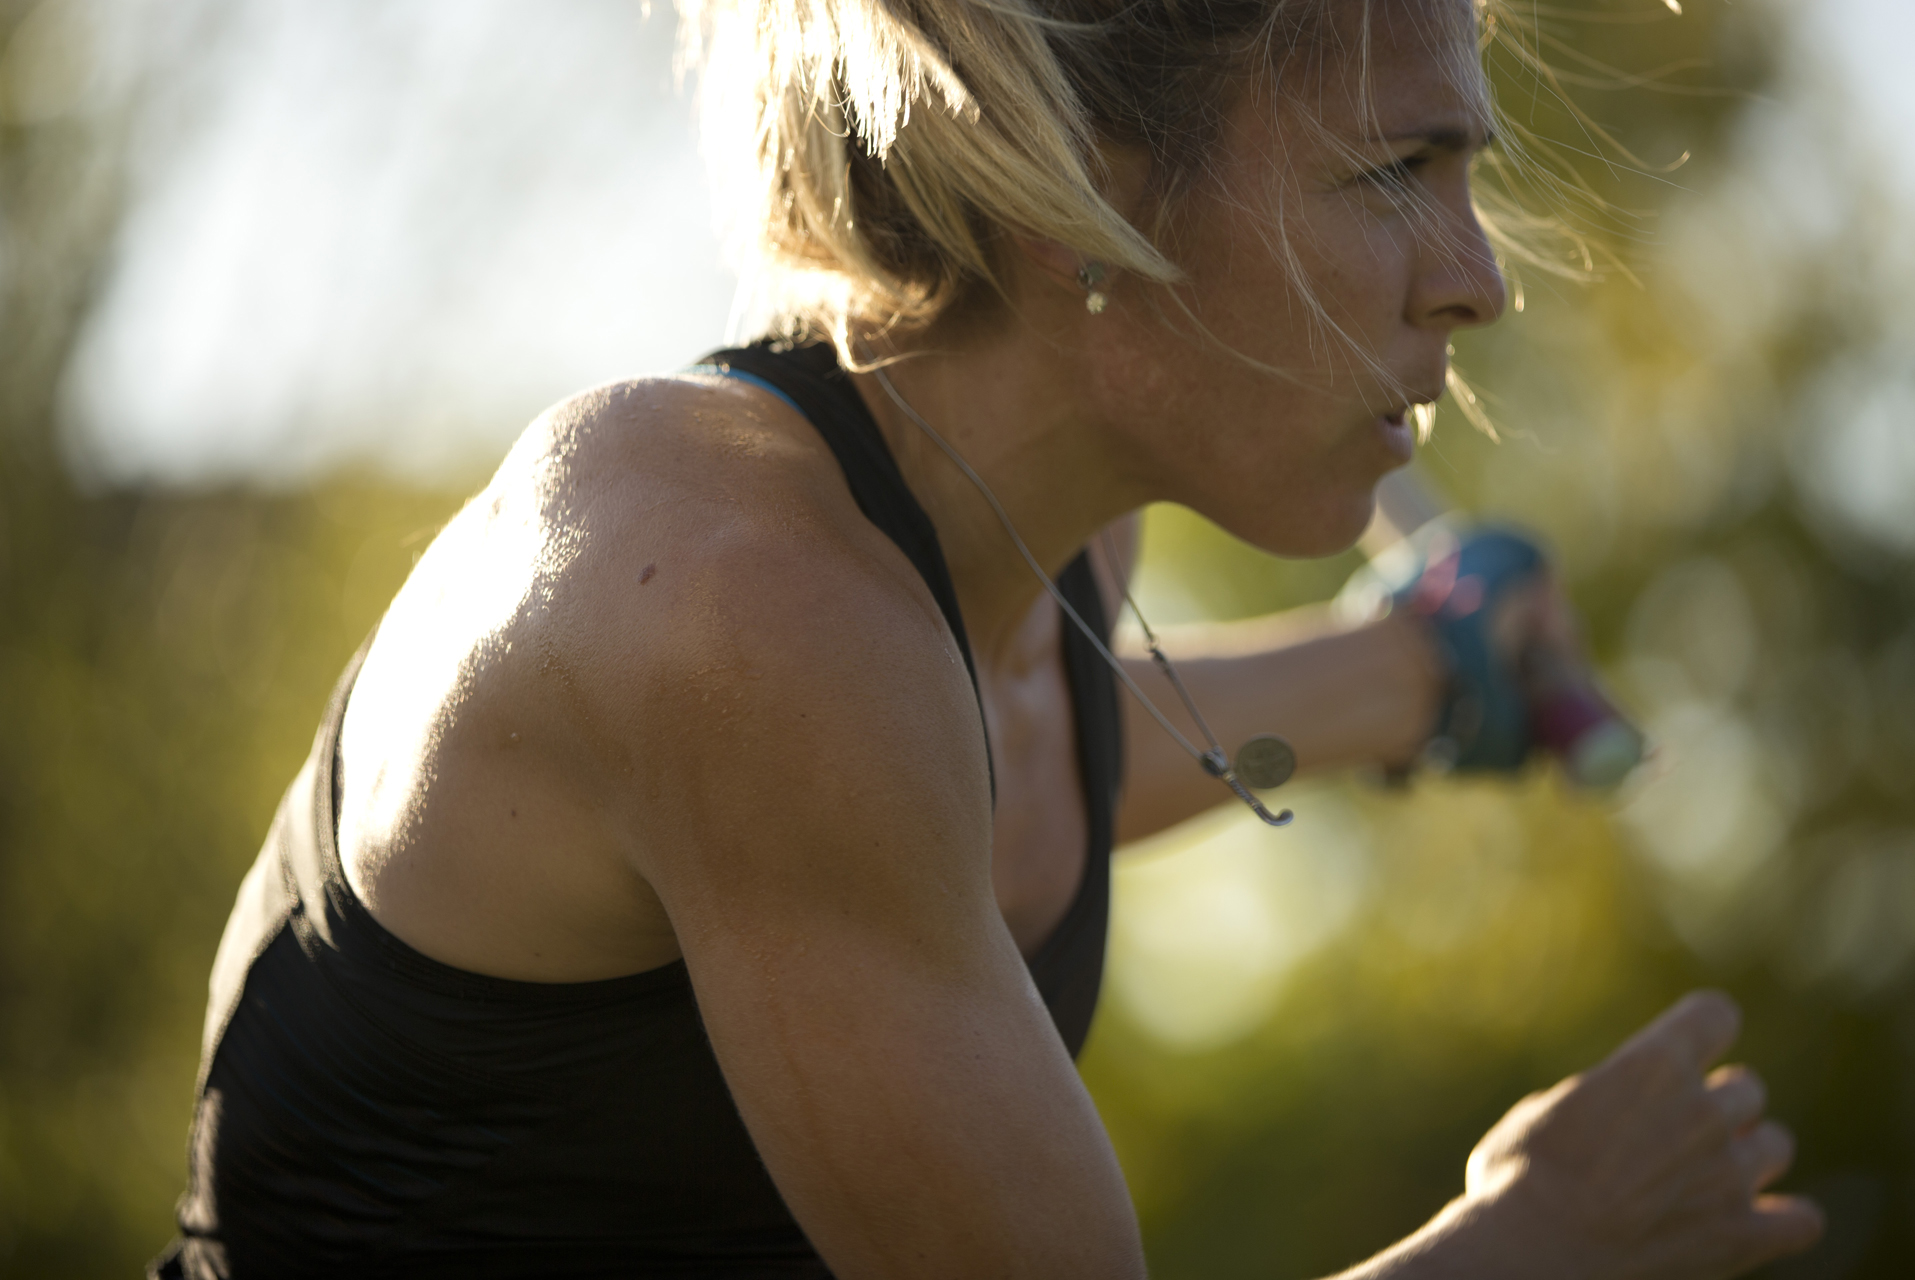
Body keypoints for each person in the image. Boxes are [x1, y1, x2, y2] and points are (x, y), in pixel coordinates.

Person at [153, 0, 1826, 1275]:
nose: (1480, 282)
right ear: (1084, 196)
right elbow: (873, 780)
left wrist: (1421, 673)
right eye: (1396, 169)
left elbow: (1015, 772)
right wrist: (1532, 1244)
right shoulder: (733, 593)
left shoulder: (1046, 541)